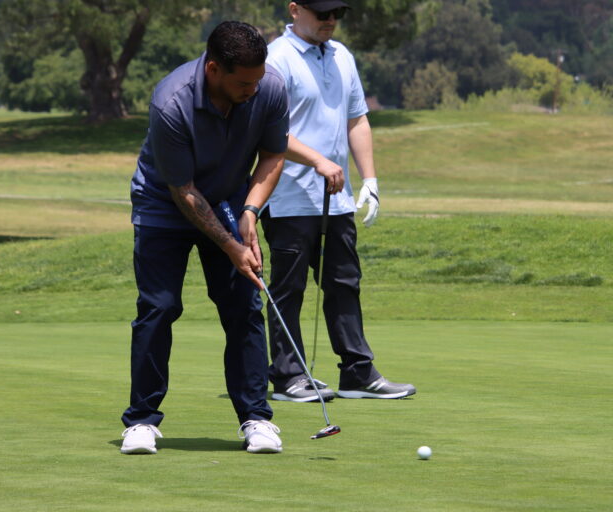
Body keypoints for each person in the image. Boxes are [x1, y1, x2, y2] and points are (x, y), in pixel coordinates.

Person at [120, 21, 289, 454]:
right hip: (165, 203)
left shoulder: (268, 87)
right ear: (213, 69)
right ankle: (141, 421)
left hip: (230, 197)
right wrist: (232, 246)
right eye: (242, 82)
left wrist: (251, 212)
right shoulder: (171, 101)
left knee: (243, 306)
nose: (253, 89)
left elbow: (273, 155)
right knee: (158, 308)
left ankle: (257, 418)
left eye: (257, 79)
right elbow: (185, 192)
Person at [261, 0, 416, 402]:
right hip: (289, 196)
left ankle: (357, 373)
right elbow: (270, 131)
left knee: (344, 284)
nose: (330, 20)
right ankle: (288, 376)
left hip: (337, 197)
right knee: (289, 290)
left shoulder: (342, 56)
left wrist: (371, 179)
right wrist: (319, 161)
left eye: (336, 14)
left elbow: (357, 119)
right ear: (295, 9)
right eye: (321, 12)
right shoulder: (277, 59)